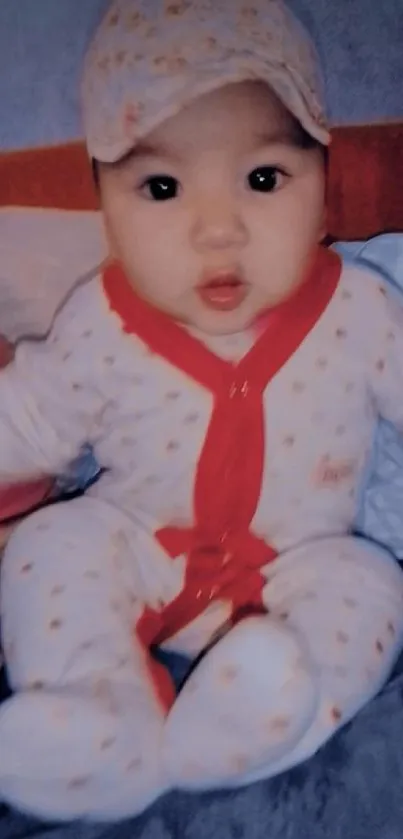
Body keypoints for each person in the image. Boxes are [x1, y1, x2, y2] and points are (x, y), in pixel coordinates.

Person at [0, 0, 403, 822]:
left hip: (300, 564)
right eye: (160, 186)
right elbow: (26, 421)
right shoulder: (102, 322)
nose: (217, 230)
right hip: (139, 544)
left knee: (369, 587)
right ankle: (98, 716)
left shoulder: (361, 311)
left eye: (262, 179)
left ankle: (255, 720)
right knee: (52, 542)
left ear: (323, 184)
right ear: (104, 203)